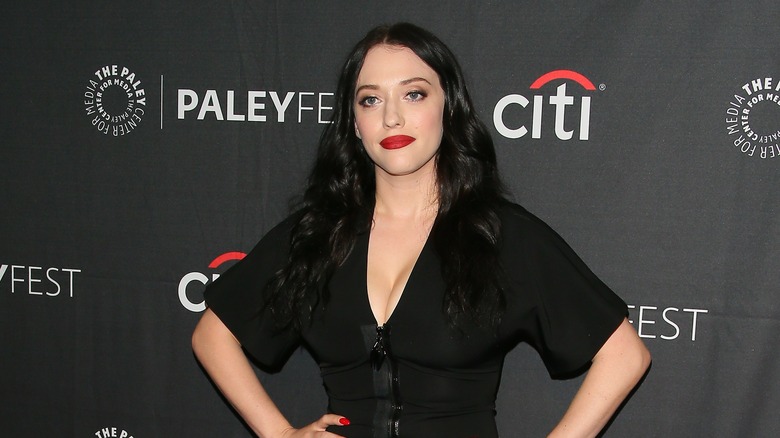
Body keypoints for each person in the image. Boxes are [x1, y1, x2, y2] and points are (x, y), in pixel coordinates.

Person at [192, 22, 651, 438]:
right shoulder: (318, 235)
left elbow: (624, 355)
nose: (392, 117)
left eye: (414, 94)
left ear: (448, 107)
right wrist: (279, 433)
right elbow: (212, 335)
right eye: (370, 99)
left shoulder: (498, 235)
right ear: (354, 123)